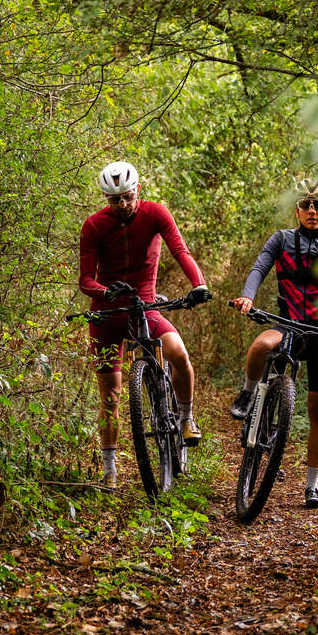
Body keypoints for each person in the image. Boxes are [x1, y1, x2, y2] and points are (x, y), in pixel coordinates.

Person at [79, 160, 210, 488]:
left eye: (127, 197)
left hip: (145, 307)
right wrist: (104, 291)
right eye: (114, 200)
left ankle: (185, 418)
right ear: (105, 199)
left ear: (137, 190)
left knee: (178, 354)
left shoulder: (155, 213)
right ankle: (109, 471)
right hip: (107, 315)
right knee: (110, 395)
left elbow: (180, 250)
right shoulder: (94, 226)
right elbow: (84, 280)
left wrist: (198, 284)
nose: (122, 205)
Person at [230, 178, 318, 509]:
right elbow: (259, 269)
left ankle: (312, 486)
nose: (312, 211)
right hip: (288, 324)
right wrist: (247, 296)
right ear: (297, 210)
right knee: (259, 347)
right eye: (305, 205)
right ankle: (247, 395)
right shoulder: (281, 240)